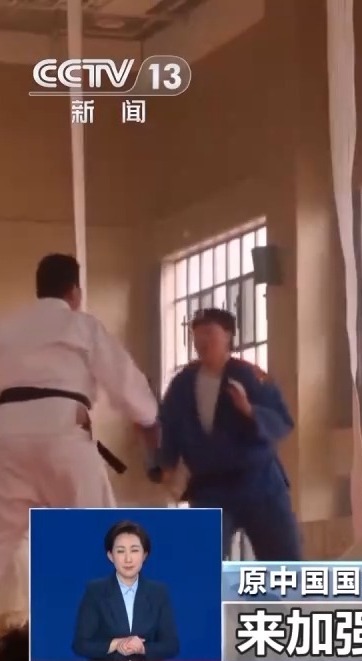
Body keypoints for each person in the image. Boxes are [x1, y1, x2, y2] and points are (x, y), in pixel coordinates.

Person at [0, 254, 159, 629]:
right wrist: (149, 417)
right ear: (75, 292)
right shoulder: (81, 326)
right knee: (97, 530)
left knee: (3, 538)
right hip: (62, 434)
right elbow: (123, 379)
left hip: (7, 436)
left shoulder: (8, 328)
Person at [157, 308, 301, 561]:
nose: (201, 341)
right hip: (209, 486)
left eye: (209, 333)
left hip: (259, 482)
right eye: (196, 335)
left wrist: (250, 410)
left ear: (228, 336)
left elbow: (282, 420)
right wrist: (166, 464)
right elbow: (168, 426)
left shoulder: (251, 376)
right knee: (200, 561)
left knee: (283, 560)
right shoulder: (182, 384)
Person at [72, 521, 179, 660]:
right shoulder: (95, 591)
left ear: (144, 555)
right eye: (120, 551)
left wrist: (142, 648)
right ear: (110, 555)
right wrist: (115, 644)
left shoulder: (158, 592)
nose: (128, 559)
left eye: (134, 550)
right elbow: (80, 644)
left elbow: (171, 645)